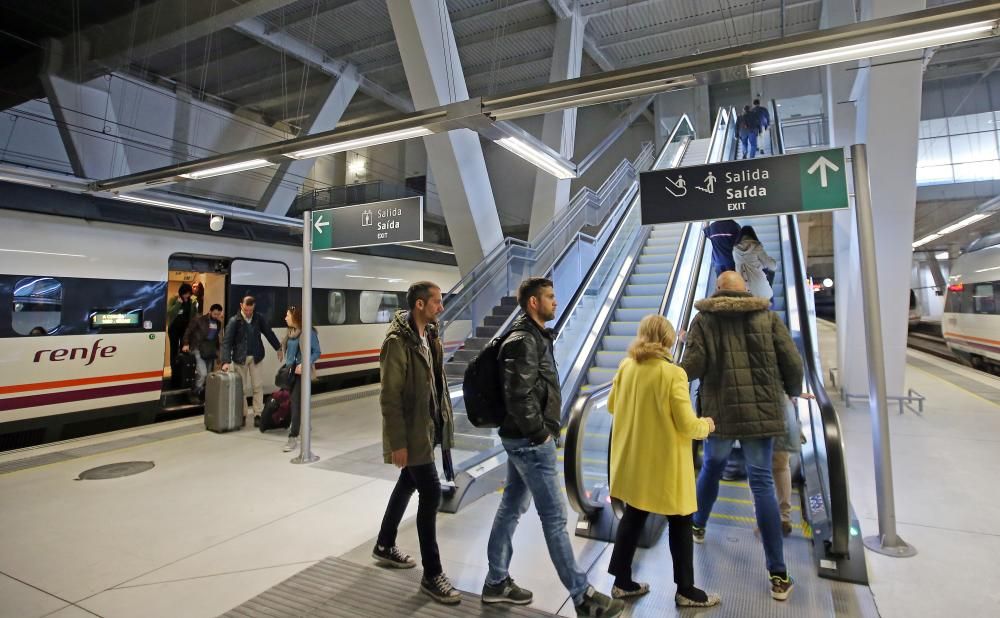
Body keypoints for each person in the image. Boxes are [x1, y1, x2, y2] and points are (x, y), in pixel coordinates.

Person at [483, 277, 624, 618]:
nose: (555, 302)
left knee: (511, 507)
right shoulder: (523, 340)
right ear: (533, 302)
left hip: (522, 438)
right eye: (549, 297)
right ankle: (583, 597)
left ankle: (495, 582)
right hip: (530, 443)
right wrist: (540, 434)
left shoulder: (534, 336)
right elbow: (519, 394)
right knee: (555, 518)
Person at [681, 271, 804, 602]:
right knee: (761, 482)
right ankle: (778, 575)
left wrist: (673, 367)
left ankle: (698, 526)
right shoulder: (767, 316)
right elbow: (792, 360)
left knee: (711, 468)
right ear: (746, 290)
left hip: (718, 414)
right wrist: (793, 391)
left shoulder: (704, 320)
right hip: (761, 414)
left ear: (718, 289)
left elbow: (692, 365)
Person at [606, 314, 721, 608]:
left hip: (634, 462)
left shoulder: (626, 366)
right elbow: (686, 424)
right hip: (665, 465)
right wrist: (706, 425)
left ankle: (621, 582)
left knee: (633, 518)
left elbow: (611, 406)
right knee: (681, 523)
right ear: (668, 340)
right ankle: (686, 590)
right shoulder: (673, 374)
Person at [372, 281, 460, 605]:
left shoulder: (430, 335)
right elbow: (389, 397)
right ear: (420, 305)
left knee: (408, 483)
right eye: (437, 302)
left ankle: (384, 543)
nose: (441, 307)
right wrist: (398, 443)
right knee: (432, 492)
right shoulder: (397, 343)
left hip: (428, 428)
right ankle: (432, 574)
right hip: (411, 432)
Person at [221, 296, 282, 426]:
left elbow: (268, 333)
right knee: (241, 389)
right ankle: (242, 415)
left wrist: (278, 347)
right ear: (241, 305)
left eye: (250, 310)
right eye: (246, 309)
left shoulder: (258, 318)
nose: (248, 313)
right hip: (239, 358)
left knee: (257, 386)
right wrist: (225, 361)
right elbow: (226, 342)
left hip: (256, 356)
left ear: (254, 308)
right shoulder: (234, 321)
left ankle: (258, 415)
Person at [281, 306, 321, 453]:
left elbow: (317, 351)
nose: (285, 318)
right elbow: (287, 347)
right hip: (290, 372)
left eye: (287, 315)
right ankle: (304, 423)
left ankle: (293, 436)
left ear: (295, 317)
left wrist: (305, 363)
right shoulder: (290, 332)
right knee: (296, 402)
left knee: (295, 404)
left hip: (301, 374)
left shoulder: (308, 333)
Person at [181, 303, 224, 400]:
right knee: (203, 373)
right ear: (210, 311)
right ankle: (195, 392)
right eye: (215, 314)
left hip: (209, 350)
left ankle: (201, 393)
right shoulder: (199, 320)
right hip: (197, 348)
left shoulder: (218, 323)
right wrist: (186, 343)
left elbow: (216, 338)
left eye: (218, 314)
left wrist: (218, 353)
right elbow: (188, 331)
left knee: (208, 375)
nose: (216, 316)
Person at [733, 225, 777, 300]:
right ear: (752, 235)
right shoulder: (756, 247)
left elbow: (745, 265)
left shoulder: (735, 250)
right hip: (760, 291)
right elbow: (773, 266)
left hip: (742, 292)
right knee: (771, 271)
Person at [167, 283, 196, 376]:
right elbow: (170, 313)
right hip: (174, 329)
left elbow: (193, 315)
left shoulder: (191, 301)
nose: (186, 295)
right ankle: (174, 370)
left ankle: (182, 370)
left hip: (185, 330)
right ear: (181, 292)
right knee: (174, 350)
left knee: (184, 349)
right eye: (185, 293)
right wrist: (178, 303)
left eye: (188, 293)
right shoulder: (174, 299)